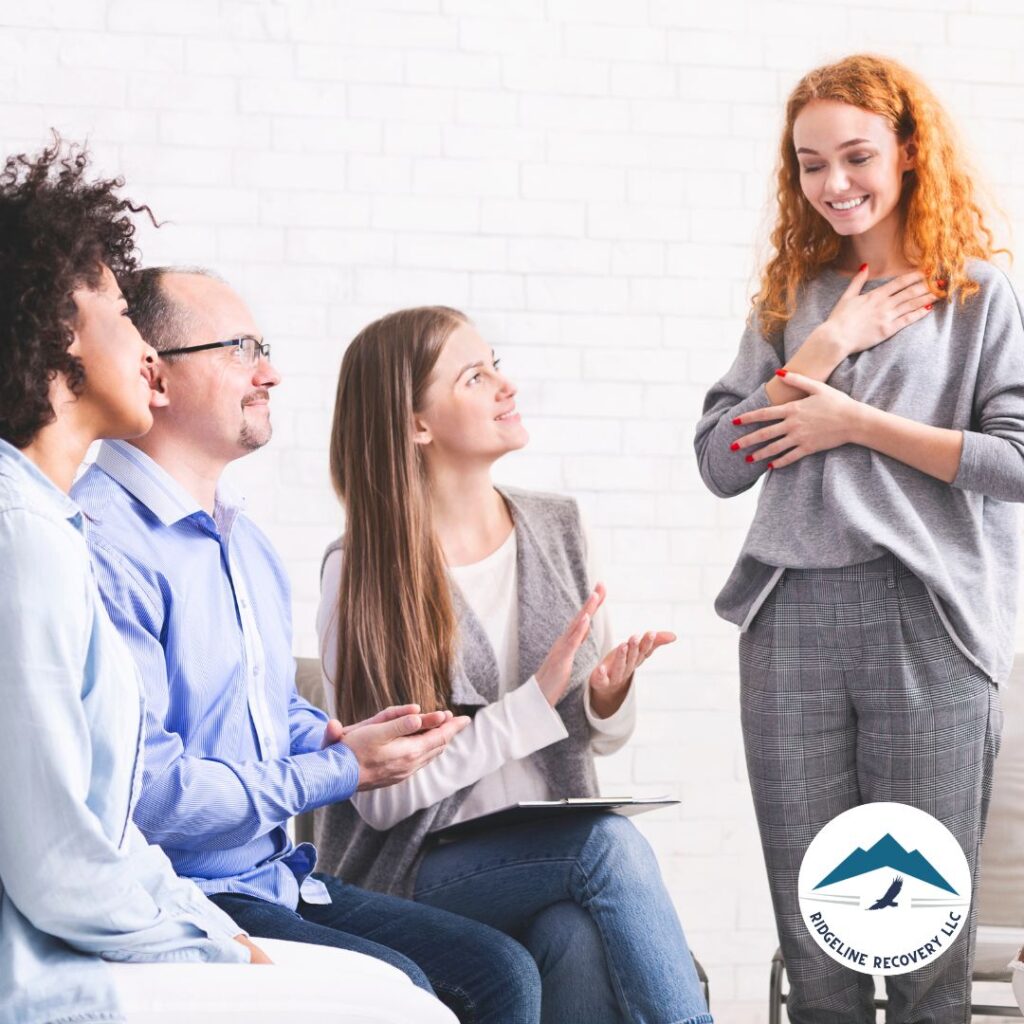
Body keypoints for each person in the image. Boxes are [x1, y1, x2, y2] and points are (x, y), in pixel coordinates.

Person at [0, 139, 455, 1024]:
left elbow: (92, 822)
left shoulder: (49, 521)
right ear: (60, 327)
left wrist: (324, 740)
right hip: (81, 951)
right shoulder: (36, 536)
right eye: (120, 316)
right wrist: (202, 929)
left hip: (171, 905)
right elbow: (67, 855)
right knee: (413, 1005)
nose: (140, 347)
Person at [71, 266, 542, 1024]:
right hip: (189, 892)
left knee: (500, 971)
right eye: (239, 350)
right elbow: (153, 799)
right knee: (405, 991)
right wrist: (337, 769)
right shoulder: (102, 543)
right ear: (155, 376)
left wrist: (332, 735)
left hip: (276, 874)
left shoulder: (242, 541)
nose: (271, 372)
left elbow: (257, 704)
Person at [694, 54, 1020, 1022]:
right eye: (808, 164)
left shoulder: (974, 295)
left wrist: (856, 424)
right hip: (788, 619)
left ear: (908, 152)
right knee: (820, 939)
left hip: (924, 617)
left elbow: (1015, 460)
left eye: (855, 157)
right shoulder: (789, 301)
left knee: (919, 941)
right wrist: (826, 346)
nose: (833, 184)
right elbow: (719, 460)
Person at [315, 305, 713, 1024]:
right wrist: (530, 707)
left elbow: (598, 737)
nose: (506, 385)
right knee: (607, 848)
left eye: (495, 363)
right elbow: (378, 801)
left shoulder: (559, 527)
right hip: (412, 870)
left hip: (538, 861)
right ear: (416, 425)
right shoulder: (362, 571)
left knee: (576, 938)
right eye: (475, 376)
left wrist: (602, 698)